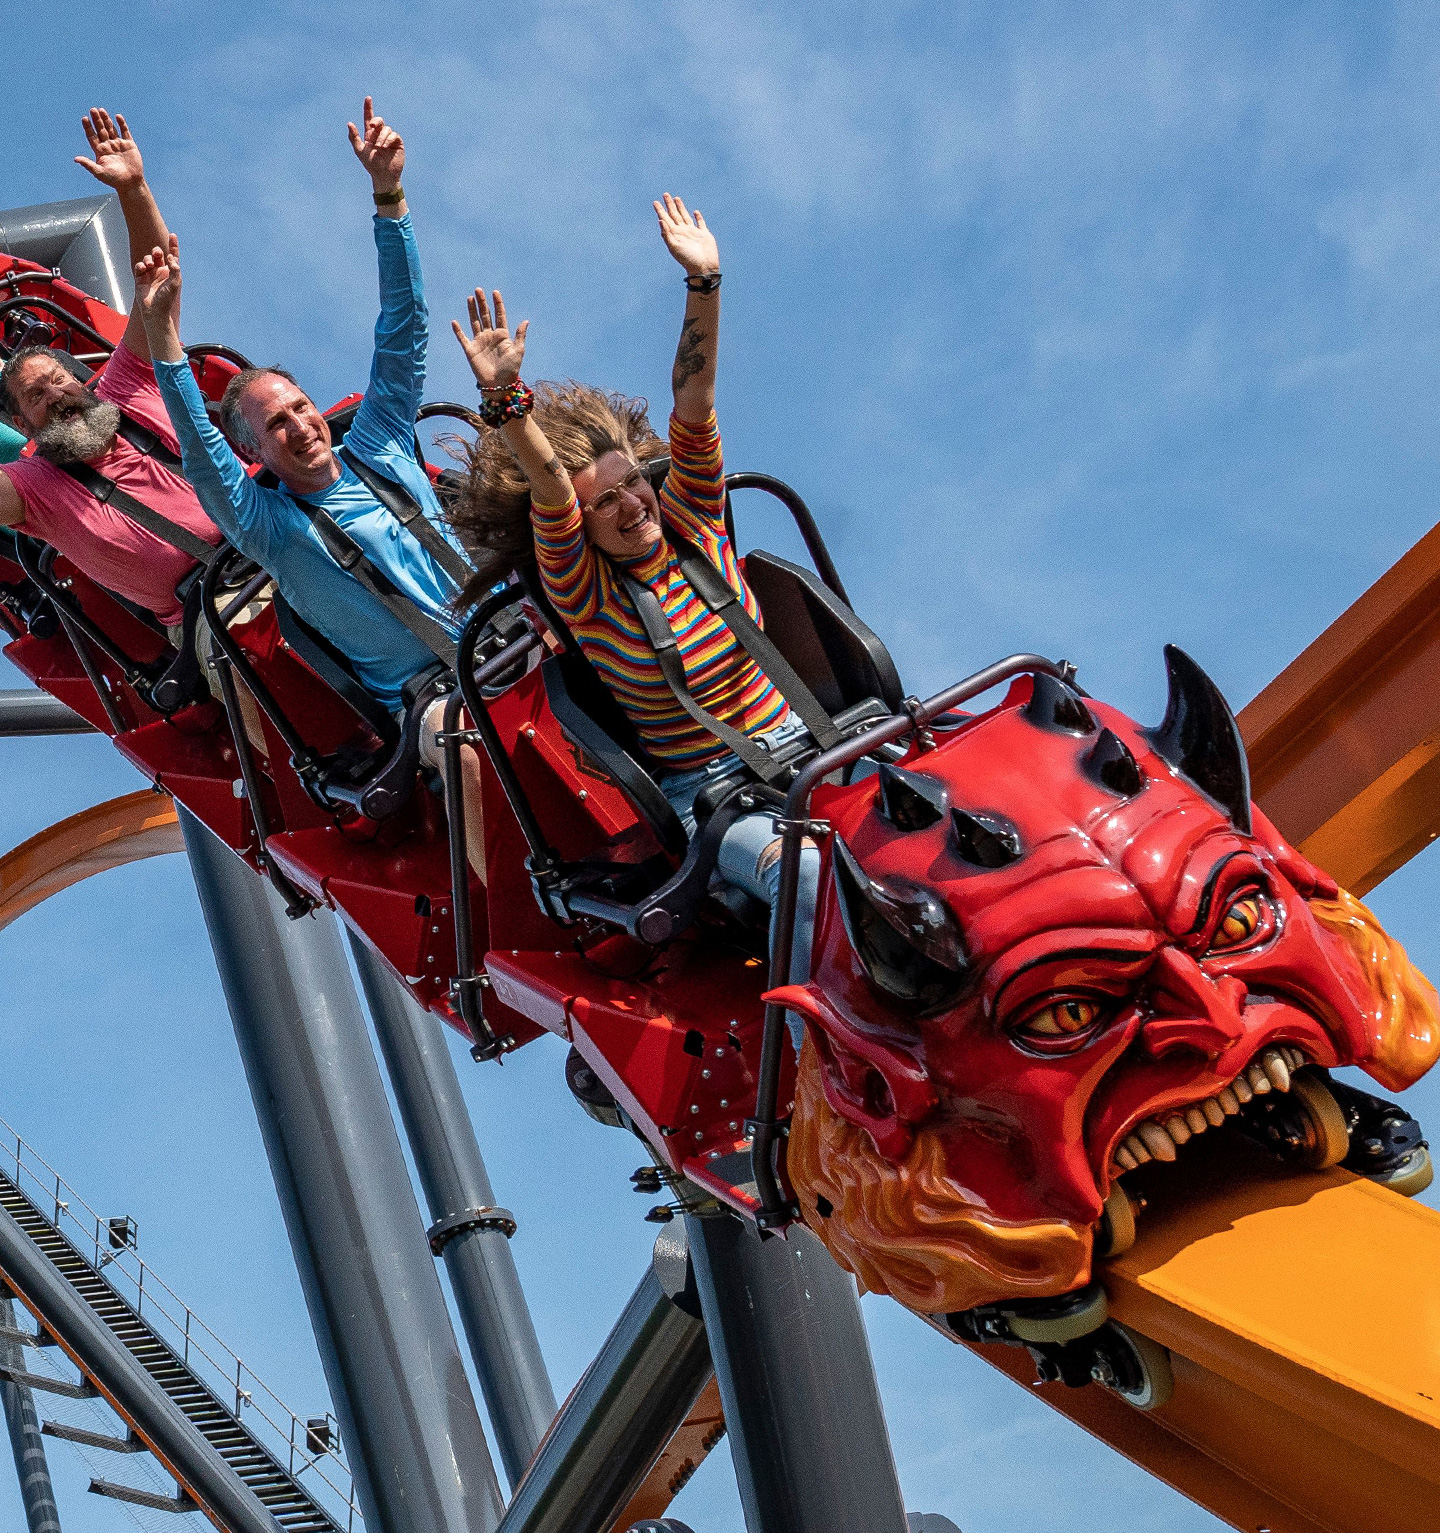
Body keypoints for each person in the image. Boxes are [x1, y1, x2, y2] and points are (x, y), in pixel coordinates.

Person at [447, 194, 820, 996]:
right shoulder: (588, 596)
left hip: (812, 742)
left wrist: (705, 281)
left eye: (630, 486)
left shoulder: (695, 526)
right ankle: (817, 1062)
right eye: (604, 503)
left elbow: (695, 402)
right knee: (815, 883)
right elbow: (551, 487)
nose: (629, 506)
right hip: (717, 796)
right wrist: (510, 404)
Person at [137, 99, 487, 877]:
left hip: (505, 635)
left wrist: (389, 198)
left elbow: (404, 325)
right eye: (276, 425)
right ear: (255, 449)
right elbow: (198, 449)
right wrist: (164, 338)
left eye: (299, 408)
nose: (298, 426)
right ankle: (503, 909)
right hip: (434, 695)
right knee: (464, 752)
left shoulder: (383, 442)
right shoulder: (271, 526)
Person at [0, 110, 223, 638]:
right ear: (23, 426)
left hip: (280, 542)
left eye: (57, 379)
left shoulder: (127, 387)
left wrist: (133, 188)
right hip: (215, 620)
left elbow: (156, 287)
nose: (55, 394)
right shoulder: (34, 489)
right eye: (35, 395)